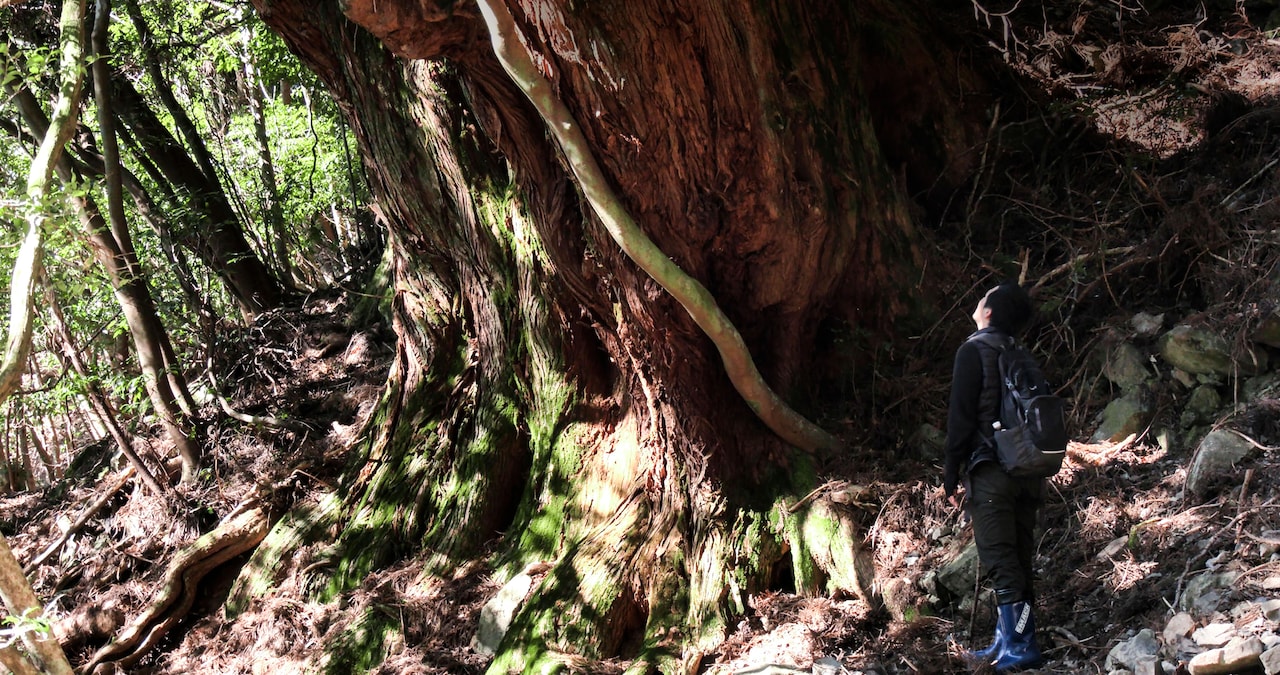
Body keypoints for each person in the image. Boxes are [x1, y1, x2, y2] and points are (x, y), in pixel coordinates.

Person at [942, 281, 1044, 672]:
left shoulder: (974, 350)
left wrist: (951, 473)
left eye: (984, 297)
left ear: (988, 312)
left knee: (1000, 557)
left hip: (992, 470)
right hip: (1027, 470)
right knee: (1018, 554)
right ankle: (1009, 639)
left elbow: (961, 418)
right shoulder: (1018, 351)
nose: (978, 298)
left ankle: (1020, 645)